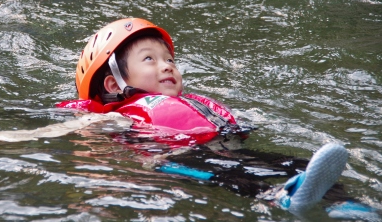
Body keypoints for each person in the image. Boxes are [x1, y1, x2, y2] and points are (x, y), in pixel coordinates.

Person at [56, 18, 377, 219]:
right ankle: (276, 198)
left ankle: (344, 204)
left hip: (221, 148)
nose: (167, 65)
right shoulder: (115, 116)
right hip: (177, 160)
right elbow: (77, 131)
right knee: (233, 176)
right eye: (150, 59)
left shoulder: (186, 103)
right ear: (114, 84)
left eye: (169, 59)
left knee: (296, 166)